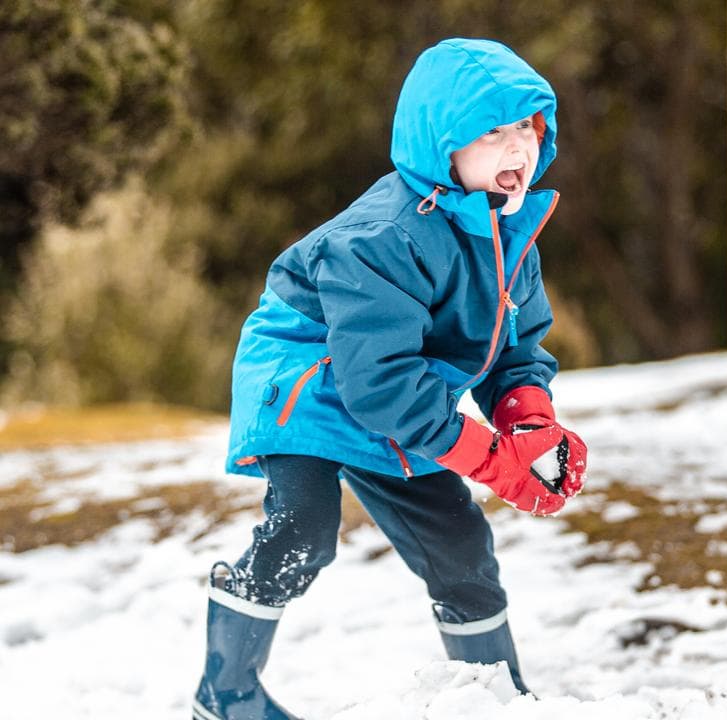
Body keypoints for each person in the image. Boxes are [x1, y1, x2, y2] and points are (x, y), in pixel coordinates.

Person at [191, 38, 587, 720]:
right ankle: (226, 696)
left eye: (525, 127)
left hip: (401, 394)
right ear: (442, 144)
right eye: (491, 133)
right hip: (308, 376)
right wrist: (490, 460)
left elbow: (515, 346)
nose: (516, 147)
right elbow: (378, 383)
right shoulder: (382, 237)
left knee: (459, 544)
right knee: (303, 531)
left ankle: (496, 697)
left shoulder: (511, 231)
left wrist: (527, 422)